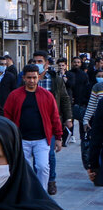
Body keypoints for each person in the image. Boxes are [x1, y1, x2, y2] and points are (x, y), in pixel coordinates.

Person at [3, 65, 62, 191]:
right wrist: (8, 137)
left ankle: (42, 193)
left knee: (43, 167)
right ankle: (26, 193)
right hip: (22, 139)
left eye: (34, 77)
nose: (31, 80)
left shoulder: (47, 95)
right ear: (24, 78)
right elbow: (7, 116)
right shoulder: (14, 95)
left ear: (38, 78)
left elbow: (55, 117)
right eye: (29, 77)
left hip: (42, 139)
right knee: (23, 168)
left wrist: (58, 137)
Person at [33, 51, 72, 195]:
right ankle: (37, 181)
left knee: (49, 155)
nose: (37, 64)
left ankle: (51, 181)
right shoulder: (29, 78)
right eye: (35, 61)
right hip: (33, 122)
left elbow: (64, 99)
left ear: (46, 63)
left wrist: (68, 118)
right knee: (37, 156)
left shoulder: (55, 79)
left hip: (50, 123)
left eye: (39, 61)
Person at [67, 56, 92, 142]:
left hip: (81, 100)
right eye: (75, 62)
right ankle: (70, 136)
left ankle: (83, 137)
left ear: (81, 64)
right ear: (71, 63)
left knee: (82, 120)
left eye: (78, 62)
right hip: (71, 100)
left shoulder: (84, 75)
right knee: (70, 120)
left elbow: (87, 87)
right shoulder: (68, 73)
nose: (76, 64)